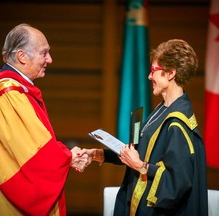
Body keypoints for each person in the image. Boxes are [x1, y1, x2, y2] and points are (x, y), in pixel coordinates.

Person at [0, 23, 90, 216]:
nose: (50, 59)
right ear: (22, 56)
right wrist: (68, 157)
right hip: (0, 201)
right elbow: (32, 154)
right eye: (44, 53)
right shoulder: (8, 96)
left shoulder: (11, 89)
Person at [85, 39, 208, 215]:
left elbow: (177, 182)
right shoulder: (163, 109)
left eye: (153, 71)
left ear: (170, 73)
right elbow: (141, 152)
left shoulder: (178, 123)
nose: (149, 76)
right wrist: (100, 154)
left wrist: (140, 166)